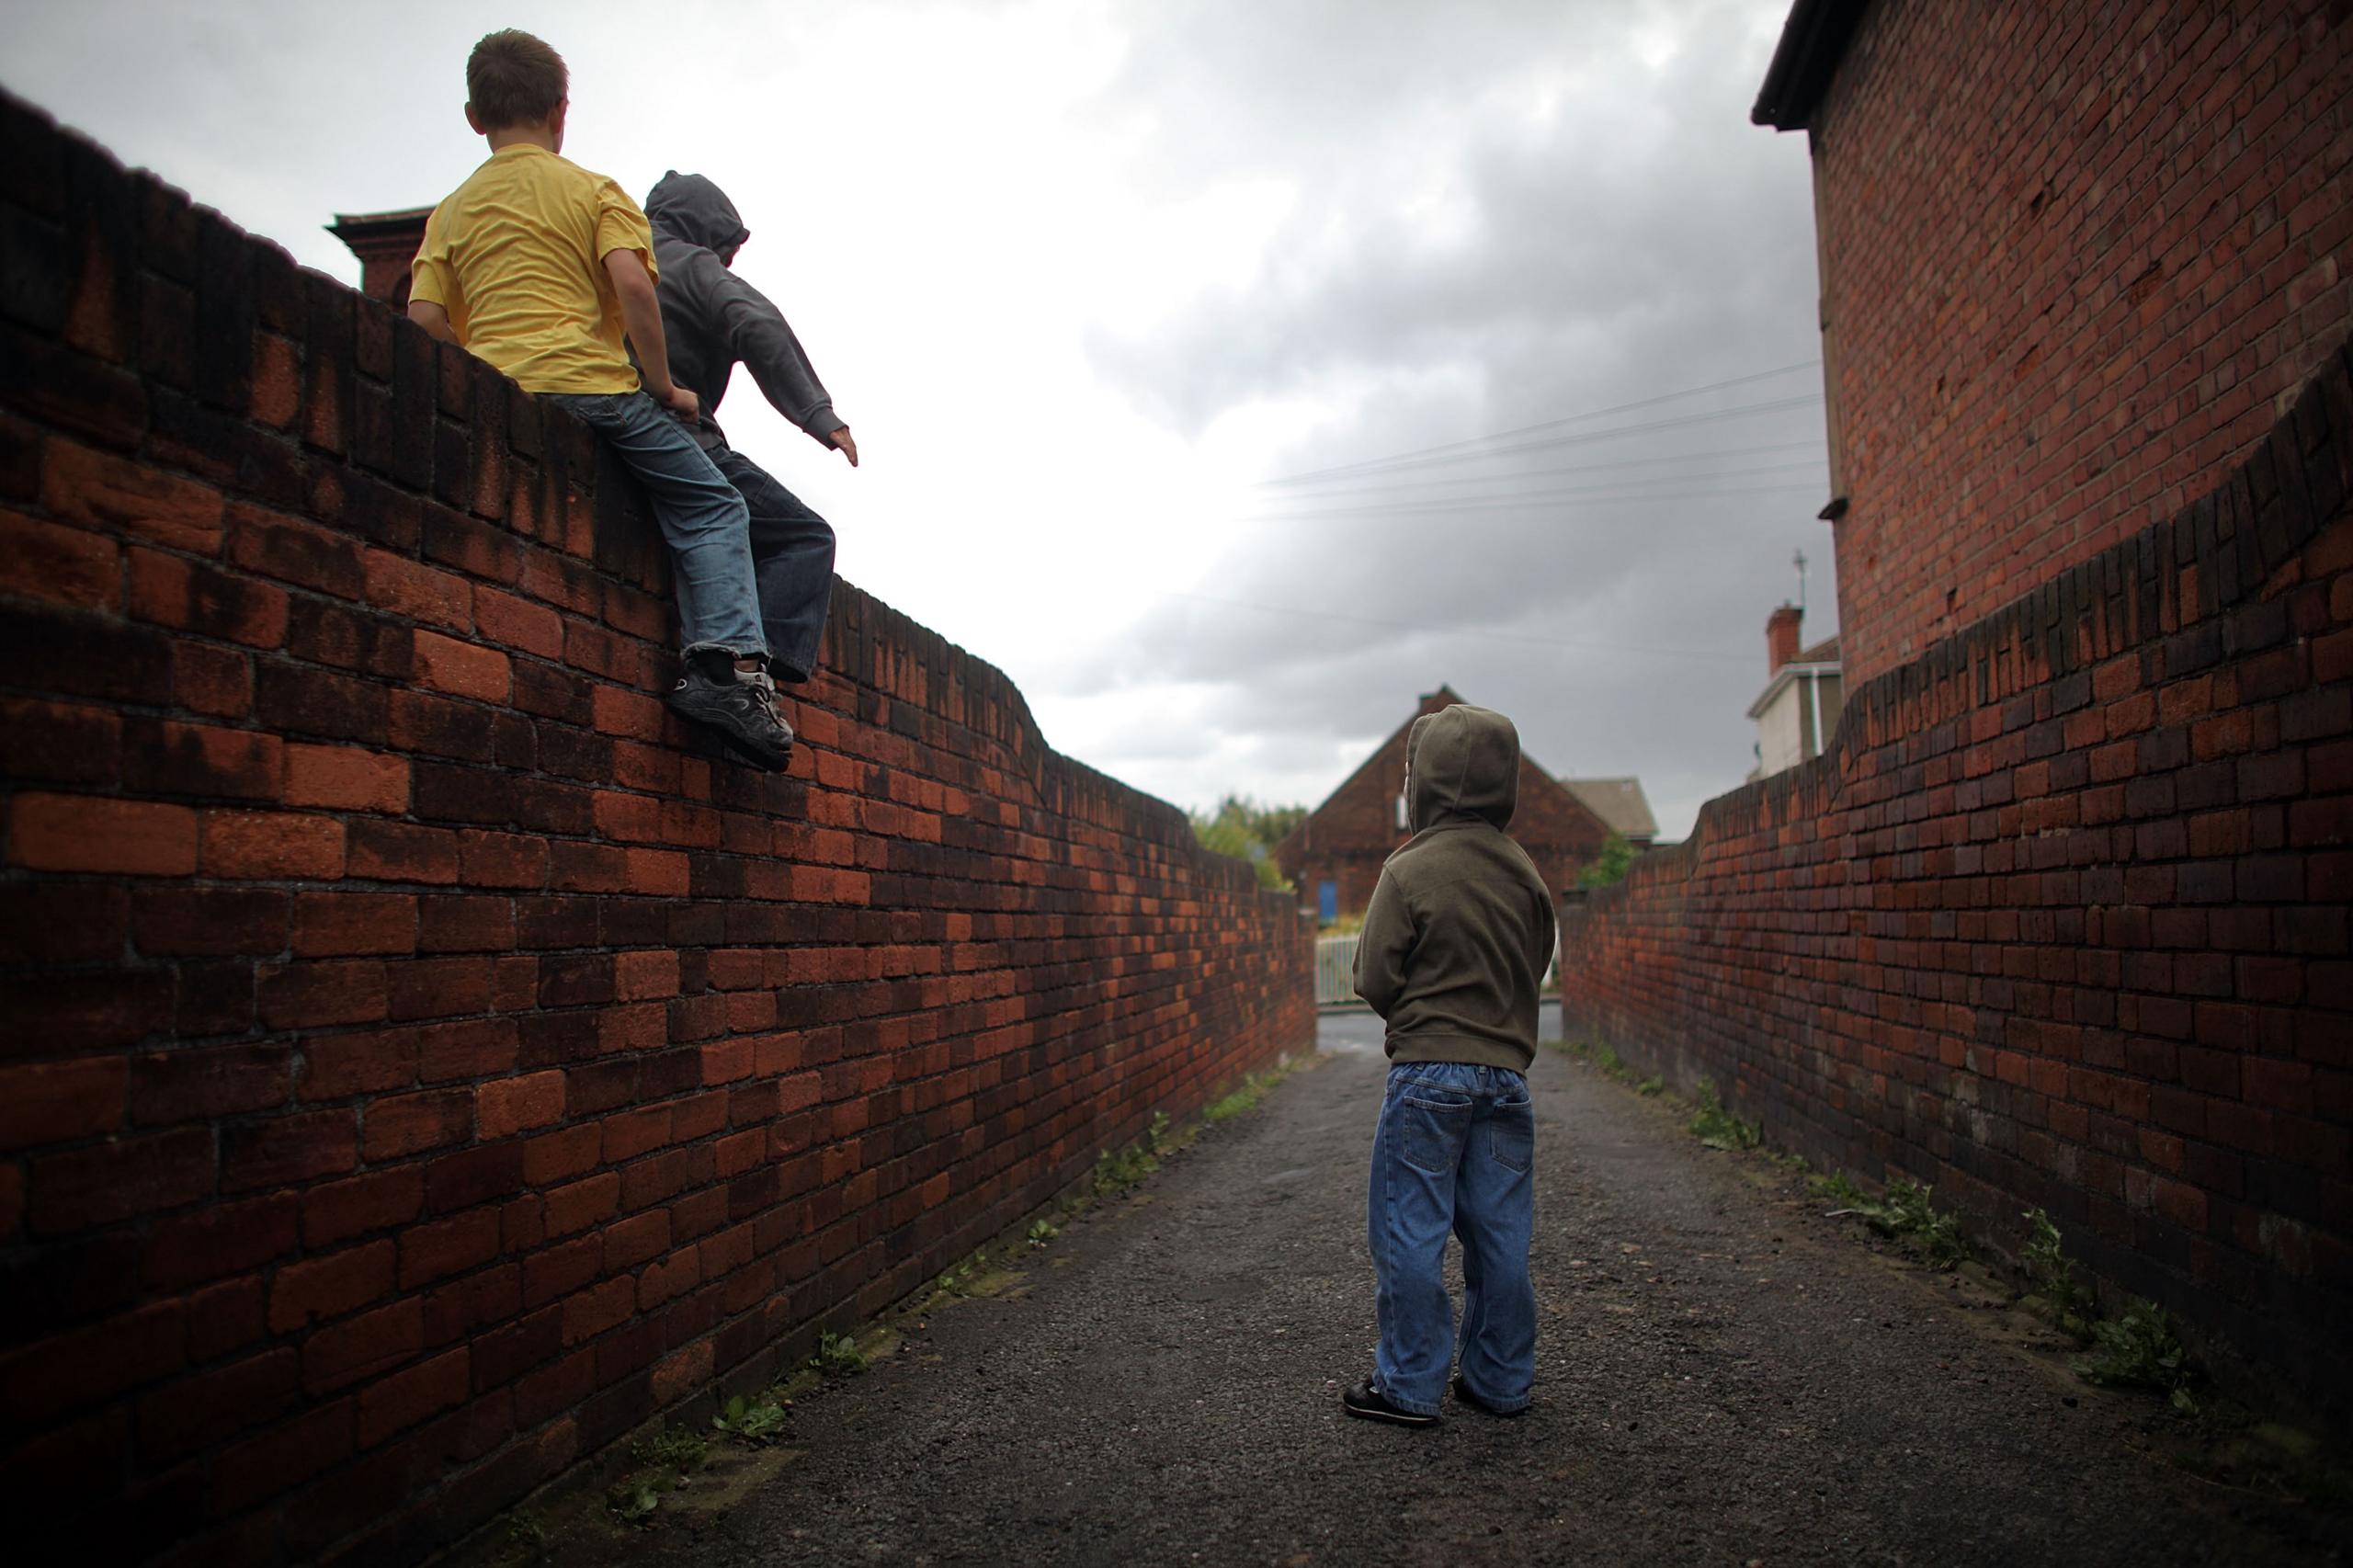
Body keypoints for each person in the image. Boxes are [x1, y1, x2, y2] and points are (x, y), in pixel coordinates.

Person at [404, 29, 794, 769]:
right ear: (561, 112)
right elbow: (632, 285)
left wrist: (477, 370)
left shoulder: (452, 212)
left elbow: (424, 319)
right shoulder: (592, 191)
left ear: (473, 117)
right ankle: (728, 672)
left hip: (503, 391)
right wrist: (664, 386)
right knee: (713, 506)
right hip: (595, 388)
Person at [1346, 703, 1557, 1426]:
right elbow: (1535, 963)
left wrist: (1415, 1018)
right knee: (1501, 1233)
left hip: (1428, 1076)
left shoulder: (1408, 869)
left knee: (1411, 1229)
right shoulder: (1524, 871)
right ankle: (1499, 1380)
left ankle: (1407, 1385)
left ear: (1422, 784)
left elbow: (1373, 975)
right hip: (1507, 1081)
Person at [642, 171, 855, 687]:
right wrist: (819, 415)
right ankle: (748, 667)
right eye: (725, 251)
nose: (725, 264)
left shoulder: (610, 254)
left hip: (606, 417)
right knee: (806, 536)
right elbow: (756, 323)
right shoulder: (689, 262)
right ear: (703, 232)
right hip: (678, 433)